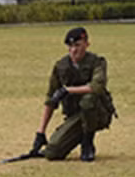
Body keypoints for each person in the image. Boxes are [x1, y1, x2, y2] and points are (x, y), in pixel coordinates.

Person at [32, 26, 115, 162]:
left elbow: (97, 86)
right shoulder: (61, 66)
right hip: (76, 116)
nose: (73, 50)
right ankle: (77, 135)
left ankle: (88, 142)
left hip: (98, 114)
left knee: (88, 100)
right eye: (70, 46)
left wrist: (68, 90)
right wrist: (40, 132)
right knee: (52, 152)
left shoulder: (97, 62)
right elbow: (51, 99)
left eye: (77, 45)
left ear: (87, 44)